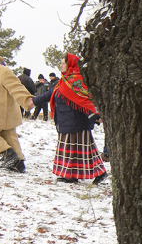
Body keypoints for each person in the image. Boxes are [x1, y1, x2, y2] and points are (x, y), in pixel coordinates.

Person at [29, 54, 107, 184]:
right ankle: (71, 175)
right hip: (66, 120)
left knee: (82, 151)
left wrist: (95, 116)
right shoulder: (64, 81)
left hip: (77, 122)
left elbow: (84, 100)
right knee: (74, 151)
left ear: (70, 65)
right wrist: (34, 101)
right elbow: (50, 94)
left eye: (63, 63)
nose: (61, 65)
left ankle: (98, 173)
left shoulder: (76, 81)